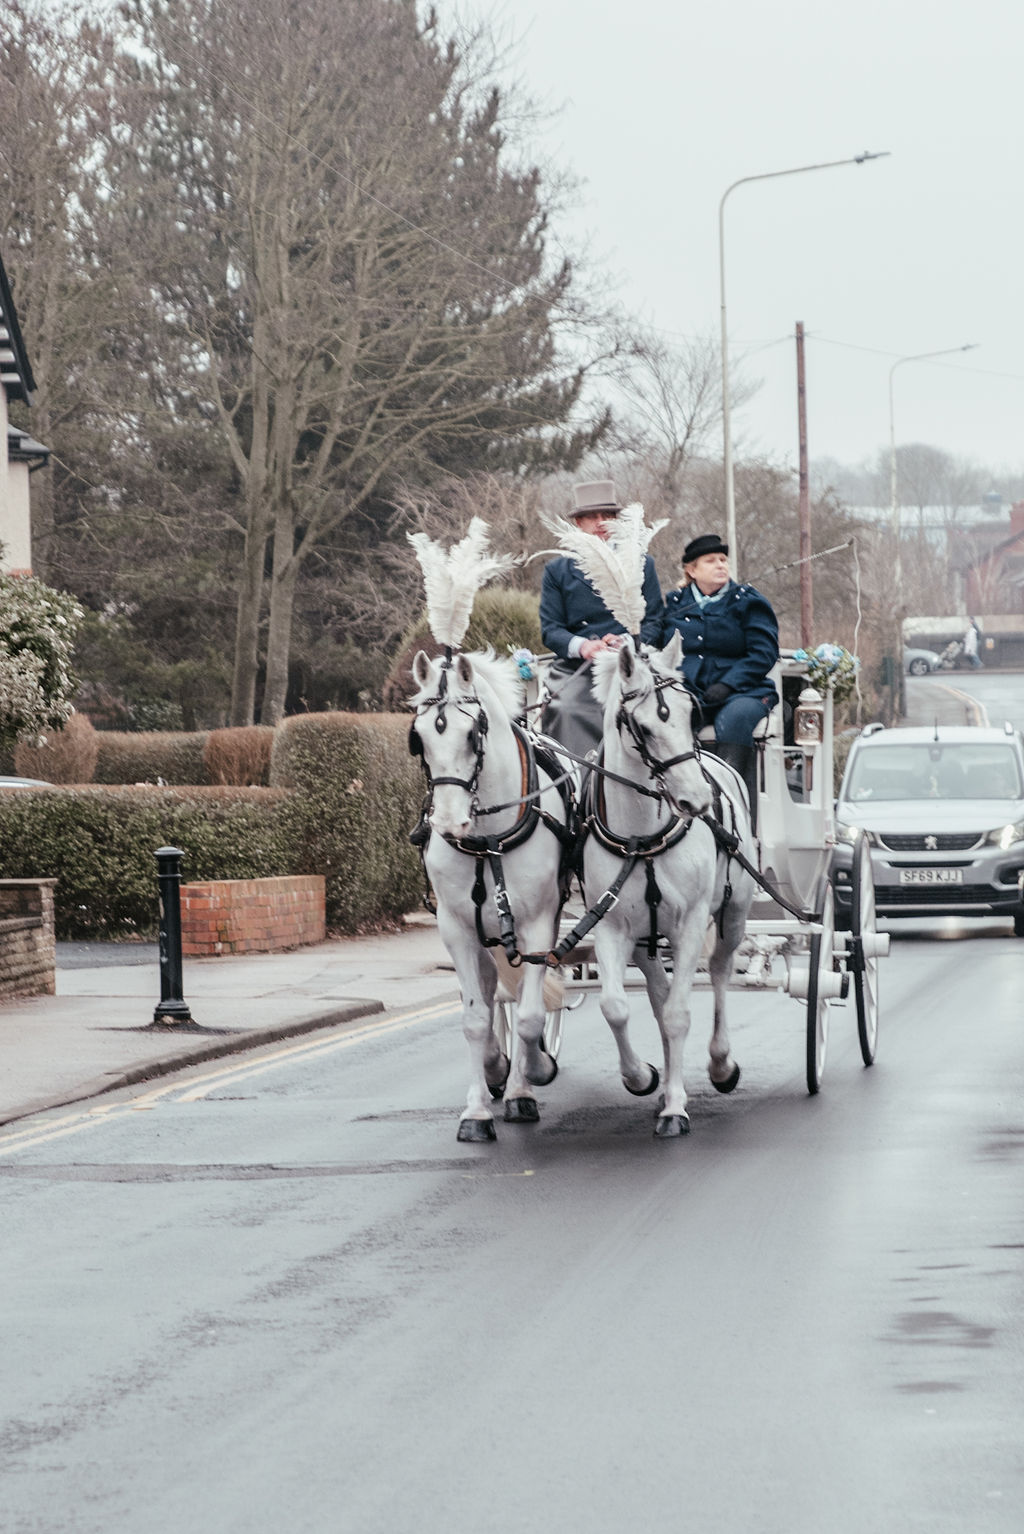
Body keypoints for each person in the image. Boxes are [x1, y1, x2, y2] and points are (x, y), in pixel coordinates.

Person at [539, 480, 664, 758]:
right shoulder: (557, 570)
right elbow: (550, 629)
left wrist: (626, 642)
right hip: (578, 669)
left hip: (632, 664)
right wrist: (584, 646)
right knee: (566, 709)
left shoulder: (643, 563)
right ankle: (576, 784)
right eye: (592, 517)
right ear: (579, 523)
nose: (601, 522)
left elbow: (655, 621)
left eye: (607, 516)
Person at [661, 533, 779, 822]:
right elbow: (659, 647)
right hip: (691, 692)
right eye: (711, 561)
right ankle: (675, 808)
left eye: (724, 560)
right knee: (664, 721)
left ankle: (732, 807)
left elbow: (764, 653)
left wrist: (729, 683)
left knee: (735, 719)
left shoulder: (748, 601)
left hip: (744, 692)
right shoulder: (673, 604)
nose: (720, 565)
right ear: (691, 570)